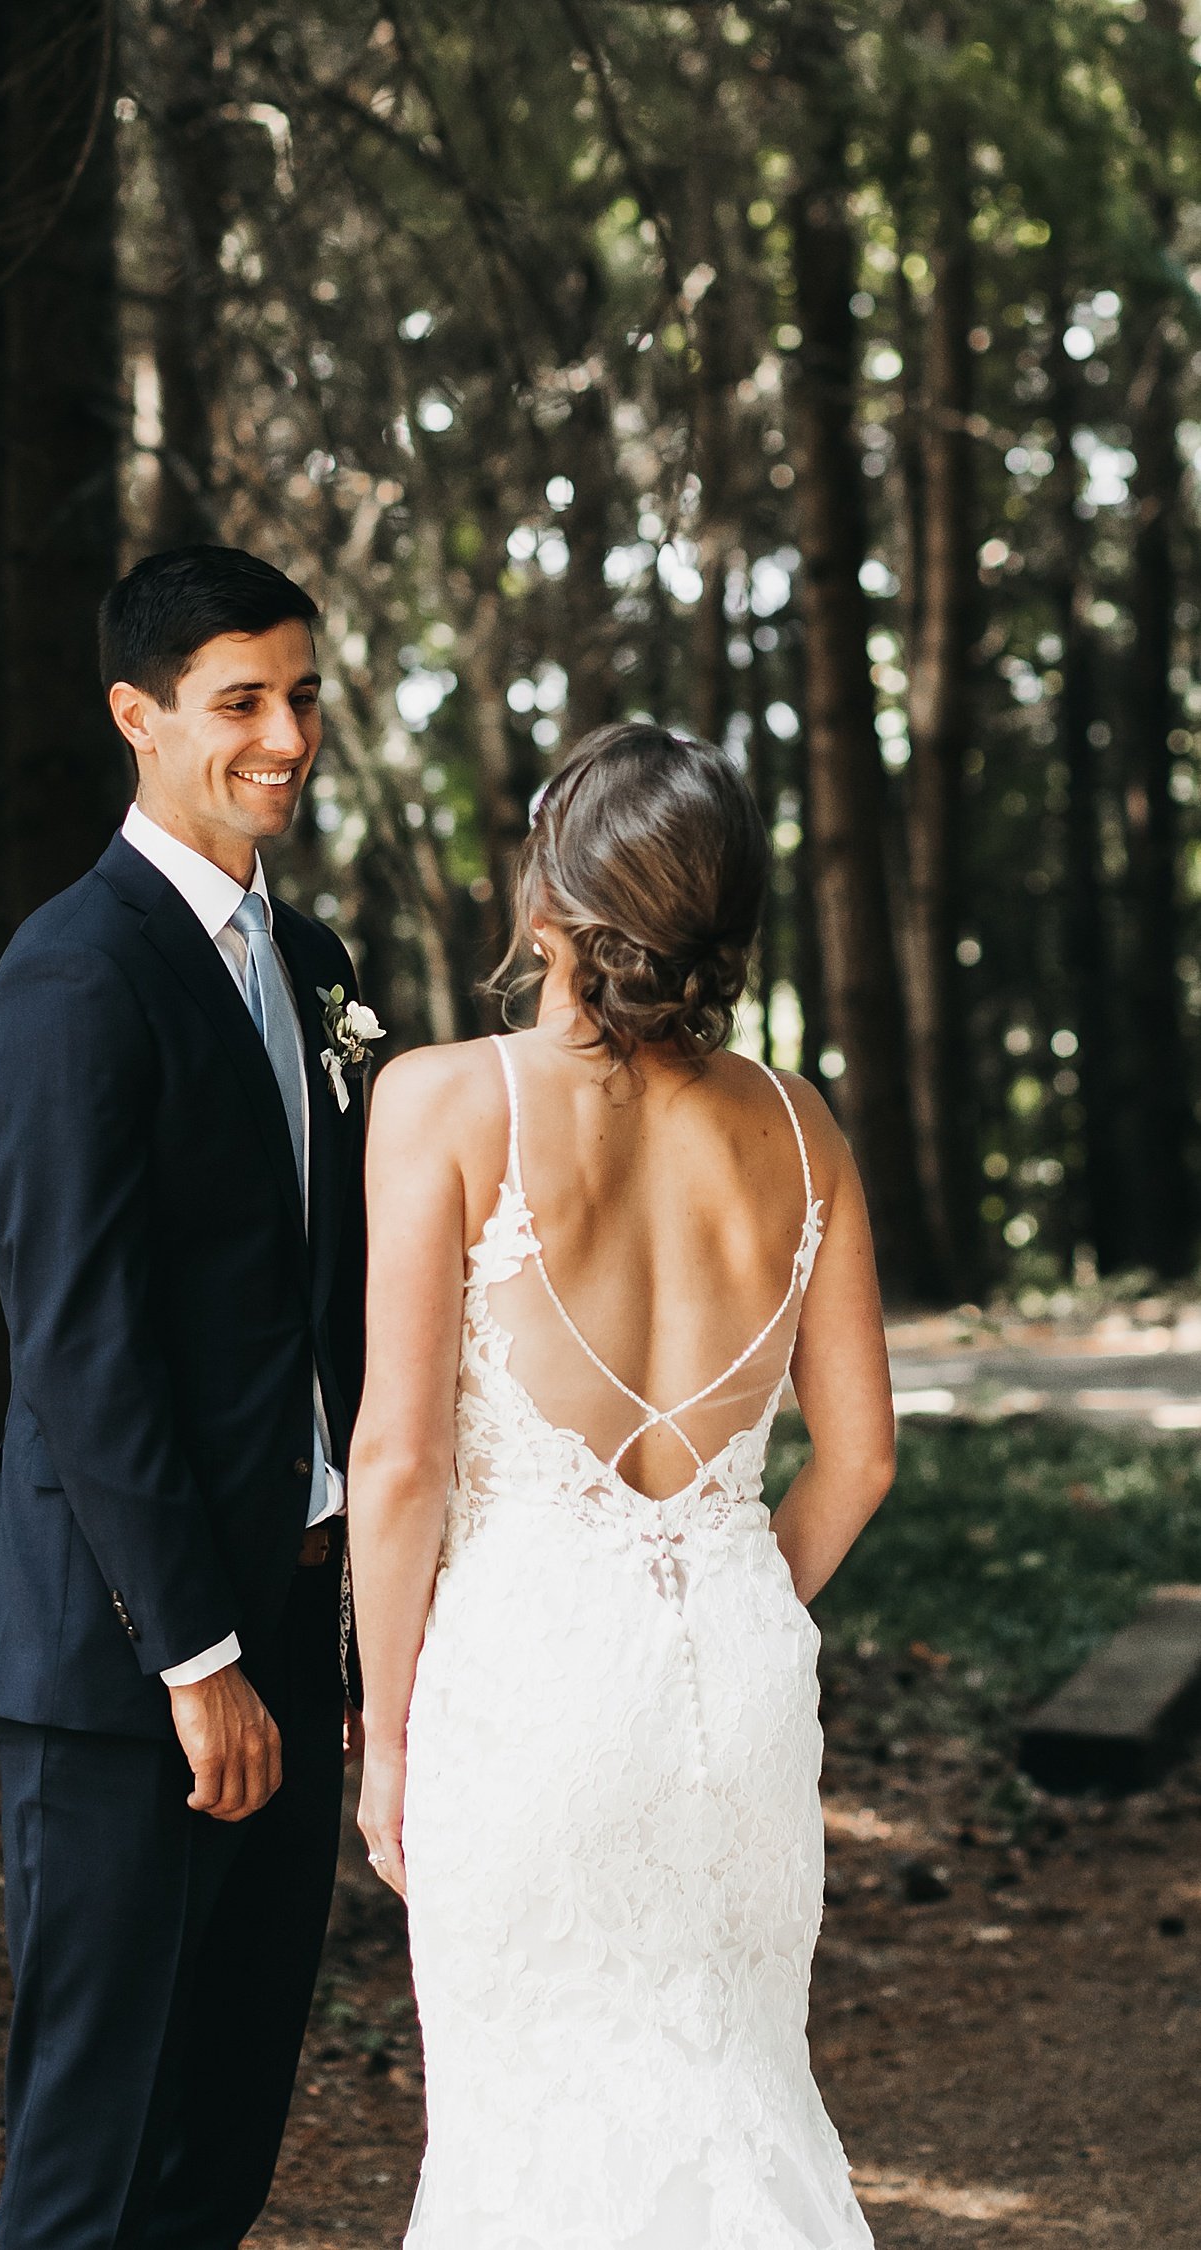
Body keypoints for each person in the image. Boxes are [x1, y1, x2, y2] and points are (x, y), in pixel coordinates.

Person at [350, 723, 895, 2248]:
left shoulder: (443, 1099)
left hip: (523, 1685)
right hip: (733, 1679)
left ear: (550, 904)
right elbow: (858, 1458)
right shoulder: (803, 1129)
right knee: (743, 2096)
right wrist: (722, 1592)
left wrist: (386, 1735)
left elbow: (398, 1461)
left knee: (526, 2132)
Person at [0, 544, 370, 2250]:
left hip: (292, 1617)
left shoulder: (312, 962)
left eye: (304, 696)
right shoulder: (69, 977)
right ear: (139, 716)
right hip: (129, 1665)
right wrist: (198, 1661)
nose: (286, 737)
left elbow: (328, 1308)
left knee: (223, 2132)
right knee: (96, 2161)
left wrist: (339, 1633)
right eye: (240, 700)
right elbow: (82, 1351)